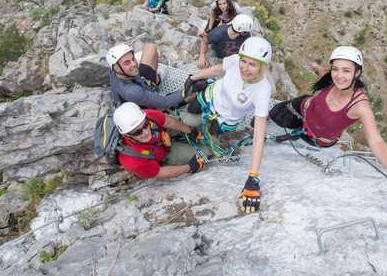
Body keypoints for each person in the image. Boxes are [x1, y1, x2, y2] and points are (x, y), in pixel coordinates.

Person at [269, 46, 387, 199]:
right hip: (304, 106)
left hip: (316, 137)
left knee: (289, 125)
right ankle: (268, 117)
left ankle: (296, 131)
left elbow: (376, 142)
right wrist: (317, 67)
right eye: (335, 69)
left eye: (346, 70)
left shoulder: (360, 106)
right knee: (275, 113)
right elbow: (327, 75)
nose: (339, 75)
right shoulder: (335, 80)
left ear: (357, 73)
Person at [185, 37, 273, 214]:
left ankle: (206, 133)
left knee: (214, 131)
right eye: (244, 61)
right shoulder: (236, 61)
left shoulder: (262, 90)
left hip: (227, 118)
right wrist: (194, 77)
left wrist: (253, 178)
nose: (245, 68)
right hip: (211, 97)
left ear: (263, 67)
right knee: (191, 110)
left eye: (252, 65)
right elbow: (219, 68)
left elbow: (258, 137)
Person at [113, 102, 213, 179]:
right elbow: (161, 172)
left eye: (145, 125)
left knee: (198, 119)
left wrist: (189, 130)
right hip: (165, 154)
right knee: (209, 148)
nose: (145, 132)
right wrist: (189, 167)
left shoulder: (144, 116)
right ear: (125, 135)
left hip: (164, 132)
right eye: (137, 132)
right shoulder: (133, 161)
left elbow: (168, 122)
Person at [108, 43, 194, 110]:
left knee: (150, 47)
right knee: (197, 89)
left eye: (133, 59)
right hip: (154, 106)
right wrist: (191, 89)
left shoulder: (114, 70)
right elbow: (165, 102)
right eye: (127, 63)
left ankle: (156, 81)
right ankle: (175, 104)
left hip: (143, 84)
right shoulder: (132, 91)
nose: (134, 64)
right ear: (116, 68)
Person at [197, 0, 243, 69]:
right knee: (208, 33)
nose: (222, 6)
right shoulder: (214, 6)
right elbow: (212, 17)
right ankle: (207, 47)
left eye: (224, 3)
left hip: (230, 22)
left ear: (228, 2)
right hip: (219, 20)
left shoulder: (235, 8)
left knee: (224, 36)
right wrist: (209, 29)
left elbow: (238, 20)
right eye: (220, 4)